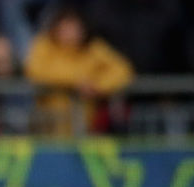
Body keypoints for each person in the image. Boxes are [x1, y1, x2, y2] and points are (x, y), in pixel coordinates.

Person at [23, 5, 133, 137]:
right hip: (49, 125)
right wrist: (75, 81)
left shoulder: (92, 48)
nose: (71, 33)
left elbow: (123, 70)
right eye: (66, 28)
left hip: (86, 127)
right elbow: (35, 71)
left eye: (75, 29)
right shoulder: (44, 45)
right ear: (56, 29)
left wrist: (98, 85)